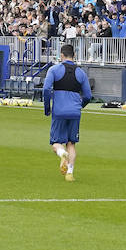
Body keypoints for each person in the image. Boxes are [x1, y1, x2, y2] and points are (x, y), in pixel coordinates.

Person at [42, 43, 93, 181]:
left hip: (59, 111)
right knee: (71, 143)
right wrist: (79, 106)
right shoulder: (81, 72)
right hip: (75, 112)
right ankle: (70, 173)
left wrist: (47, 107)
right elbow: (88, 95)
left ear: (61, 55)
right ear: (74, 56)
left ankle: (61, 153)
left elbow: (46, 89)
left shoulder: (54, 69)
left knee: (56, 143)